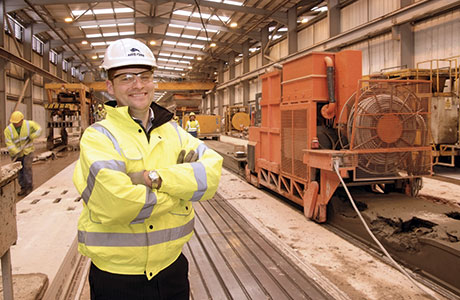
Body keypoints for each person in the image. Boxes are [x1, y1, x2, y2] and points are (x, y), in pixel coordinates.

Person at [72, 38, 223, 300]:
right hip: (117, 276)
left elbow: (211, 176)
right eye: (126, 77)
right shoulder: (99, 137)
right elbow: (117, 203)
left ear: (154, 81)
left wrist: (152, 178)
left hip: (172, 269)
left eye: (144, 76)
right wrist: (180, 191)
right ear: (110, 86)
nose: (138, 85)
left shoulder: (174, 131)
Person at [4, 111, 42, 196]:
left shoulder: (29, 125)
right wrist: (15, 151)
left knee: (27, 168)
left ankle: (29, 187)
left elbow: (39, 130)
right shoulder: (8, 130)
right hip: (16, 154)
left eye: (17, 122)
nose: (15, 124)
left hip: (27, 151)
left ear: (21, 120)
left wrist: (33, 135)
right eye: (14, 123)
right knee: (19, 171)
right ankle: (23, 188)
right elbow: (9, 143)